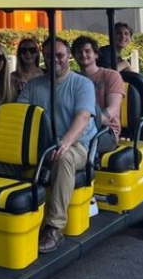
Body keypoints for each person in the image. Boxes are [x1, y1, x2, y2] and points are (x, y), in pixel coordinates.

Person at [18, 37, 97, 253]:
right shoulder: (35, 85)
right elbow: (21, 114)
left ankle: (54, 227)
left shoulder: (82, 84)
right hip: (45, 146)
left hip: (77, 144)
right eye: (49, 56)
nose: (55, 60)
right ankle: (15, 216)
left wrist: (65, 142)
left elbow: (82, 117)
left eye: (60, 55)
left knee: (63, 158)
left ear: (68, 56)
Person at [72, 35, 125, 154]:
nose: (83, 54)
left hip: (106, 130)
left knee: (80, 143)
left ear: (96, 54)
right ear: (74, 56)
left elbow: (113, 109)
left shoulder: (111, 76)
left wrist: (87, 122)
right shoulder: (73, 79)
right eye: (79, 52)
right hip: (78, 127)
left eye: (87, 51)